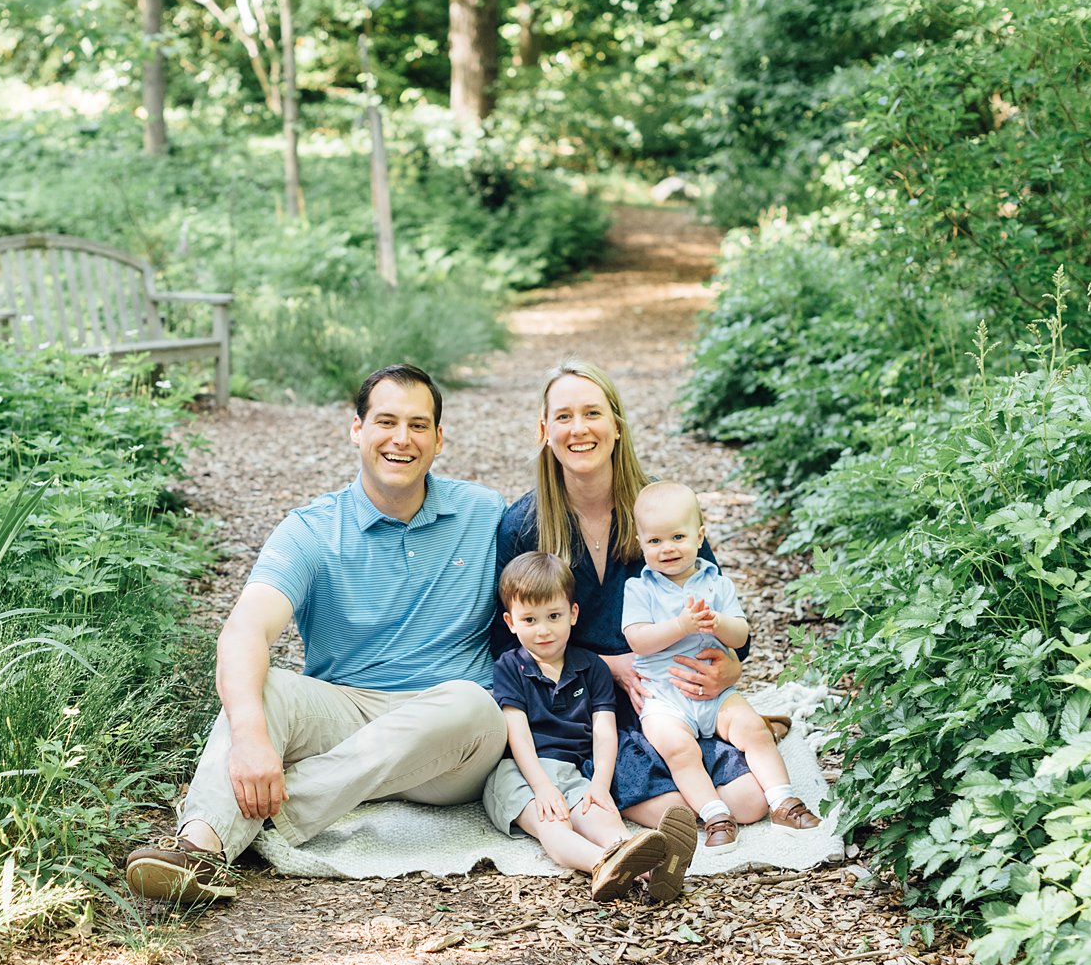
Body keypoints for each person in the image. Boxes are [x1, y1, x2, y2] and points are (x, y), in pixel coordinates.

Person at [125, 364, 508, 903]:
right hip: (348, 711)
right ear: (357, 429)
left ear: (439, 439)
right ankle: (201, 852)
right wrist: (254, 737)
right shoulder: (311, 530)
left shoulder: (485, 512)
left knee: (472, 703)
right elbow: (246, 629)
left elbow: (557, 584)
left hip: (453, 744)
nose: (402, 439)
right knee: (267, 689)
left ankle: (261, 814)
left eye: (419, 425)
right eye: (386, 421)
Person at [492, 360, 775, 835]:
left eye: (592, 414)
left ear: (617, 427)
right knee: (677, 815)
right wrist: (606, 665)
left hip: (671, 697)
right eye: (563, 417)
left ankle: (715, 763)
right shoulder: (524, 524)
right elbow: (505, 641)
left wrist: (732, 664)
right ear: (545, 430)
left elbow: (719, 610)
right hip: (587, 712)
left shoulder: (661, 513)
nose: (579, 429)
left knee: (749, 803)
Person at [483, 551, 699, 902]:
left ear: (573, 614)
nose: (543, 630)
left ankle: (653, 872)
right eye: (530, 619)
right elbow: (517, 733)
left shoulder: (592, 667)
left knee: (604, 820)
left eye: (553, 616)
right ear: (511, 622)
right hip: (520, 772)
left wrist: (599, 785)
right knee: (552, 825)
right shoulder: (510, 667)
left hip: (574, 772)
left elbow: (603, 730)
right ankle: (603, 865)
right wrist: (541, 787)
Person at [624, 481, 820, 848]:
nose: (667, 548)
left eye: (678, 537)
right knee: (678, 749)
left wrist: (718, 624)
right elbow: (637, 639)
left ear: (700, 537)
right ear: (641, 544)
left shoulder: (717, 583)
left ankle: (782, 801)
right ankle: (715, 814)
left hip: (717, 693)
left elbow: (741, 634)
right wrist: (680, 626)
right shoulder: (640, 588)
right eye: (655, 541)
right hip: (664, 696)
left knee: (753, 729)